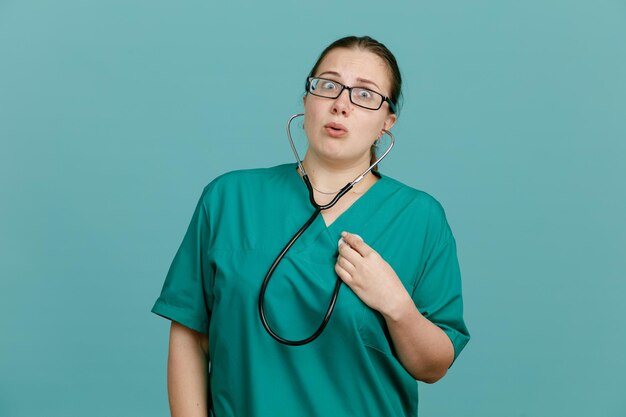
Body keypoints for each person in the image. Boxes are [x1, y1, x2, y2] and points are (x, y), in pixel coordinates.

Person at [151, 35, 470, 417]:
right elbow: (190, 334)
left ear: (386, 124)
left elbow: (433, 366)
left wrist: (397, 306)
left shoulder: (420, 218)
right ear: (306, 101)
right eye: (328, 85)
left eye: (365, 94)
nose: (341, 105)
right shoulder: (228, 199)